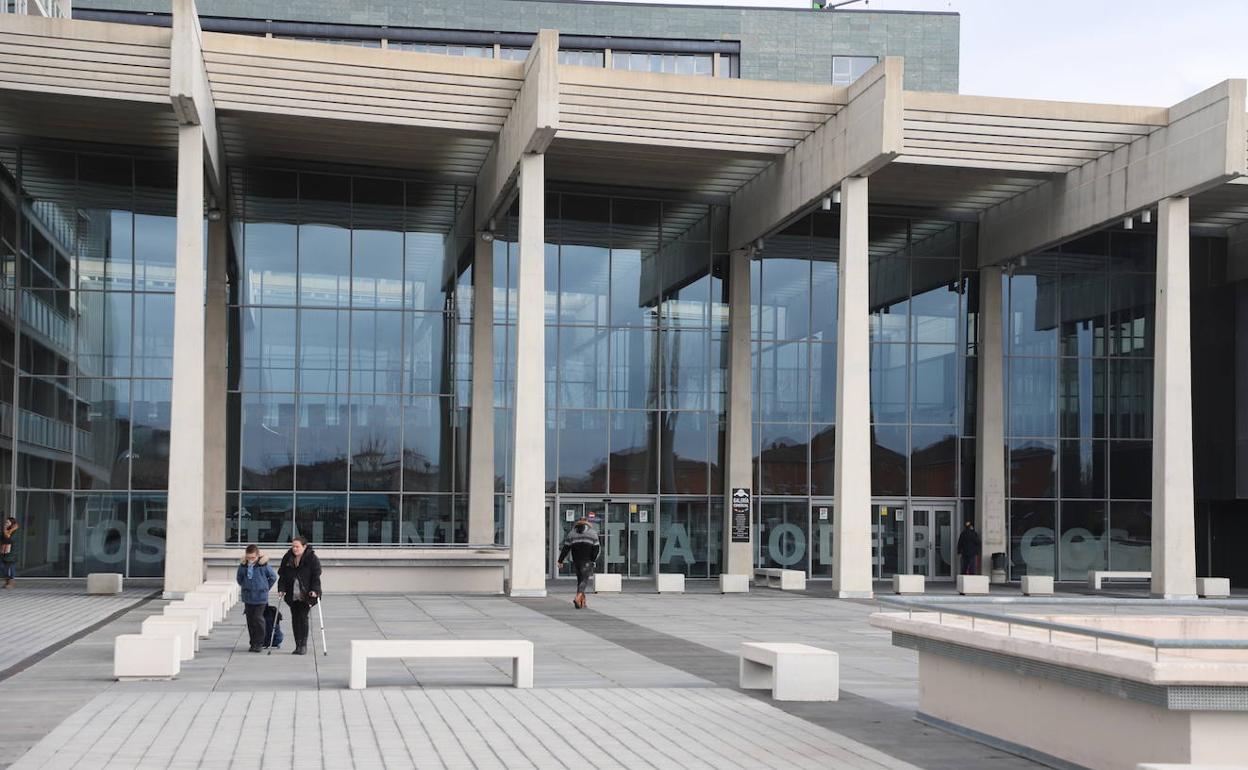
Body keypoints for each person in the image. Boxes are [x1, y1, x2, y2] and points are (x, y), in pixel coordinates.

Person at [277, 535, 322, 655]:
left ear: (304, 546)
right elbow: (282, 575)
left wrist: (315, 590)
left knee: (303, 617)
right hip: (292, 594)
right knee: (295, 618)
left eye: (297, 547)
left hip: (306, 594)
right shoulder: (288, 557)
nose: (295, 549)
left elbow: (316, 576)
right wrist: (281, 589)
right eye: (293, 546)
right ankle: (297, 645)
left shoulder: (312, 558)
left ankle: (303, 645)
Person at [236, 544, 278, 652]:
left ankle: (259, 643)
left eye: (253, 558)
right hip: (248, 597)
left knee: (258, 619)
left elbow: (273, 577)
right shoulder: (243, 565)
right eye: (249, 557)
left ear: (258, 555)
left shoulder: (263, 565)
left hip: (260, 597)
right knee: (250, 620)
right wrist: (245, 586)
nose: (251, 560)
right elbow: (239, 578)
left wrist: (265, 587)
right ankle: (253, 642)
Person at [557, 518, 600, 609]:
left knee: (580, 580)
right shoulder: (592, 533)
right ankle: (578, 597)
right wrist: (593, 560)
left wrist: (560, 560)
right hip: (587, 560)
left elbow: (566, 548)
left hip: (576, 560)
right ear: (587, 523)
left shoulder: (571, 534)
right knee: (584, 580)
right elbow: (596, 549)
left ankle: (582, 602)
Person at [1, 516, 18, 589]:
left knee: (10, 568)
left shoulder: (14, 531)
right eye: (5, 522)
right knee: (3, 567)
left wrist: (5, 530)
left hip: (12, 553)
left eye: (7, 522)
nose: (6, 523)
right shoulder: (5, 531)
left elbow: (9, 538)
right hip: (4, 552)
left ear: (12, 523)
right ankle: (7, 581)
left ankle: (11, 582)